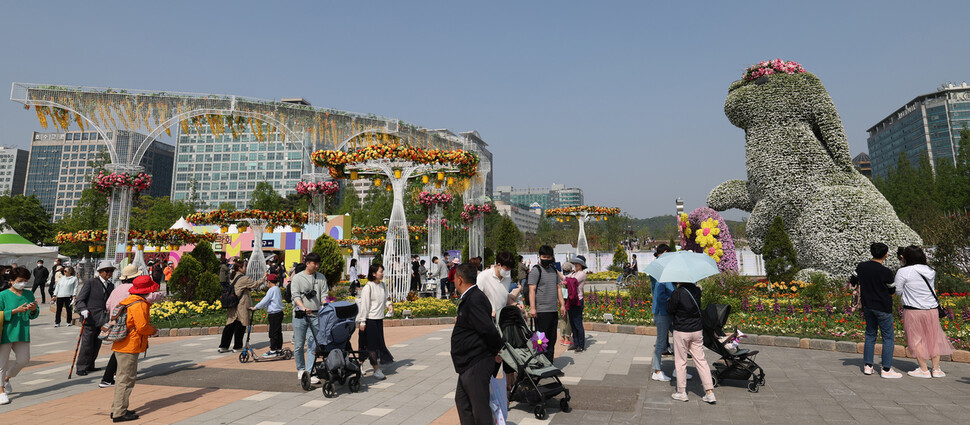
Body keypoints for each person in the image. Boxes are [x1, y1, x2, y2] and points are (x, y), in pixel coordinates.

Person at [451, 263, 503, 425]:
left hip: (476, 360)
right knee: (462, 401)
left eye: (454, 279)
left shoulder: (474, 298)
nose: (453, 282)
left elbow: (488, 329)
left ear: (460, 280)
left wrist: (496, 351)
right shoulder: (472, 297)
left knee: (479, 408)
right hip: (469, 362)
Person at [99, 267, 164, 388]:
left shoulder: (117, 289)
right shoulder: (134, 292)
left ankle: (110, 377)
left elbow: (108, 305)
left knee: (118, 352)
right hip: (128, 327)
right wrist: (160, 295)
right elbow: (147, 300)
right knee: (125, 355)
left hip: (116, 323)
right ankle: (108, 378)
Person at [895, 245, 954, 378]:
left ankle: (923, 369)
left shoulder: (904, 271)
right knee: (934, 338)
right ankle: (936, 369)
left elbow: (898, 290)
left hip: (913, 309)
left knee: (917, 340)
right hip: (932, 309)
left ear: (906, 257)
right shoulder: (930, 270)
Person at [108, 275, 159, 422]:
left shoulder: (128, 301)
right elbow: (142, 327)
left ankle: (117, 408)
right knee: (126, 379)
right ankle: (119, 413)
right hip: (130, 345)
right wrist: (152, 330)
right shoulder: (139, 304)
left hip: (121, 344)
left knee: (122, 379)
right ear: (147, 290)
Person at [850, 242, 901, 378]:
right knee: (888, 338)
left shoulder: (862, 267)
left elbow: (853, 280)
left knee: (870, 335)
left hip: (867, 305)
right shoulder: (886, 272)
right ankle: (886, 369)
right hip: (883, 306)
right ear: (886, 255)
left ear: (872, 253)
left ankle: (868, 366)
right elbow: (892, 290)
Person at [667, 280, 715, 404]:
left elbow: (670, 310)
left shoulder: (677, 293)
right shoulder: (697, 291)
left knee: (681, 361)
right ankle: (709, 392)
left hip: (681, 330)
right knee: (701, 360)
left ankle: (682, 392)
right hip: (697, 330)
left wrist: (669, 301)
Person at [0, 266, 39, 405]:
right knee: (1, 364)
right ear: (11, 281)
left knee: (24, 360)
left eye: (26, 280)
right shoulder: (2, 295)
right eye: (20, 280)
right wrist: (15, 311)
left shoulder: (28, 294)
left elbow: (34, 314)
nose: (23, 283)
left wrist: (33, 310)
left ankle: (6, 378)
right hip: (5, 332)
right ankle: (1, 391)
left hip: (22, 331)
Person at [291, 252, 328, 384]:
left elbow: (324, 294)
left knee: (313, 345)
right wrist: (302, 307)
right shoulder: (297, 278)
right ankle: (301, 369)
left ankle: (310, 371)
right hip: (300, 316)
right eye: (315, 263)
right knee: (299, 344)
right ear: (307, 264)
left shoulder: (321, 278)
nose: (317, 266)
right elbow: (295, 296)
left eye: (318, 264)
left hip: (316, 315)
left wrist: (326, 303)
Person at [75, 260, 116, 376]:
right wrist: (82, 309)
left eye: (111, 271)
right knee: (87, 344)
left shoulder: (111, 285)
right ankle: (81, 367)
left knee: (97, 343)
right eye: (107, 271)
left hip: (102, 319)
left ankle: (90, 364)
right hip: (89, 318)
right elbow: (80, 299)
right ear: (100, 271)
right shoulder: (91, 282)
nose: (109, 273)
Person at [527, 245, 565, 364]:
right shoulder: (536, 270)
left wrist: (562, 305)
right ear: (539, 257)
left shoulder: (554, 271)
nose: (546, 259)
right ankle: (540, 363)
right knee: (541, 340)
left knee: (552, 338)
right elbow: (532, 290)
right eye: (544, 256)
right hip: (541, 310)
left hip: (553, 309)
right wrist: (533, 308)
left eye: (548, 257)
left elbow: (558, 288)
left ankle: (550, 363)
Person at [356, 264, 394, 380]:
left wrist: (389, 305)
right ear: (373, 274)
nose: (382, 274)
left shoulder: (382, 285)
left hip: (379, 319)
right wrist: (362, 321)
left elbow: (385, 298)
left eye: (382, 271)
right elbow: (365, 306)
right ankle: (376, 369)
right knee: (371, 345)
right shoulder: (368, 287)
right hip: (370, 320)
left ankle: (360, 364)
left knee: (374, 344)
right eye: (380, 272)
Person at [218, 259, 265, 353]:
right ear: (240, 268)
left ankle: (223, 346)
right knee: (240, 325)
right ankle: (237, 346)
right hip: (241, 305)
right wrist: (263, 278)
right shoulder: (243, 278)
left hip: (232, 305)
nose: (246, 268)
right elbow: (255, 285)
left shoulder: (233, 276)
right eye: (244, 266)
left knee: (230, 326)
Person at [650, 245, 677, 381]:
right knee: (661, 342)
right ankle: (657, 370)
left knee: (678, 340)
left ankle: (679, 369)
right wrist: (672, 298)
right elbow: (659, 294)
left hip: (670, 311)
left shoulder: (668, 273)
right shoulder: (660, 272)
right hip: (662, 312)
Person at [250, 274, 284, 357]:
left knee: (273, 332)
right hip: (279, 313)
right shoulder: (277, 289)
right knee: (278, 332)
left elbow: (265, 301)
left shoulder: (271, 290)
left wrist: (255, 307)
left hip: (274, 314)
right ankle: (278, 348)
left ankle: (273, 350)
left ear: (268, 282)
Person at [476, 251, 515, 320]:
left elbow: (505, 296)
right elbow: (476, 299)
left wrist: (516, 305)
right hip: (487, 318)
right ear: (499, 265)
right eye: (507, 268)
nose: (508, 271)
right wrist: (488, 312)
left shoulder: (507, 277)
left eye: (510, 269)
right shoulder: (484, 276)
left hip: (501, 319)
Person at [565, 255, 587, 352]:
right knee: (572, 323)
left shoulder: (581, 274)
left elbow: (572, 281)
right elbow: (565, 279)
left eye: (577, 264)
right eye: (575, 263)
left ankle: (581, 345)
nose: (575, 265)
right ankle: (575, 342)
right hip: (571, 299)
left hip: (578, 299)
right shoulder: (573, 273)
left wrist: (566, 280)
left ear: (581, 265)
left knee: (578, 323)